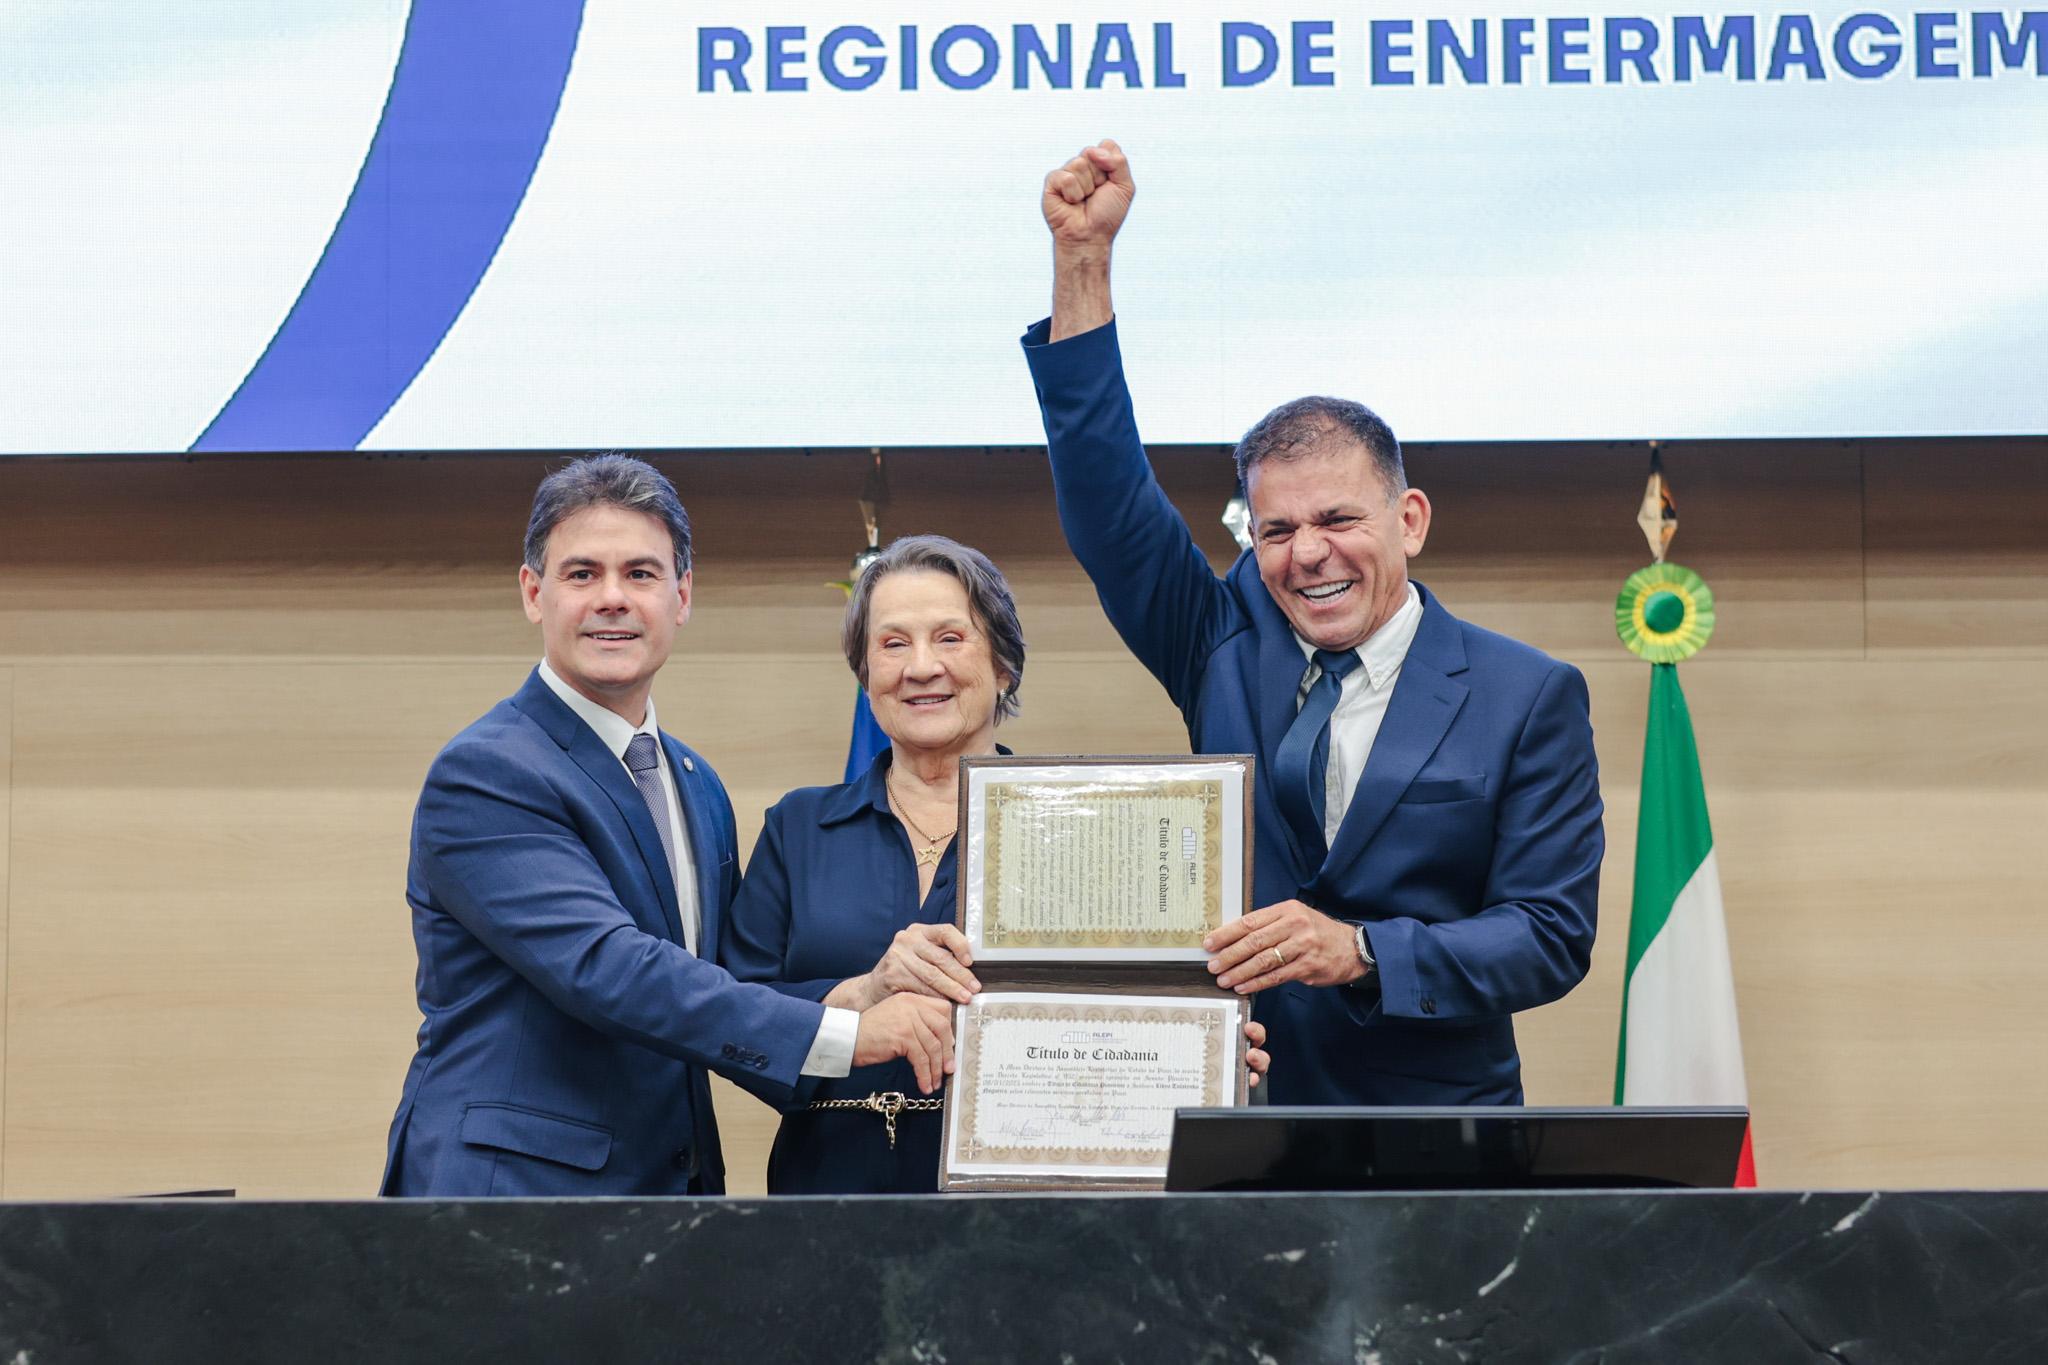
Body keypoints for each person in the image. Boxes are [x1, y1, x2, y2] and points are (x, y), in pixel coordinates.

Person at [1022, 142, 1604, 1106]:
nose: (1308, 554)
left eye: (1338, 519)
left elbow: (1548, 934)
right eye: (1278, 529)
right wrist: (1083, 262)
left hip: (1436, 1133)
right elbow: (1105, 494)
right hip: (1239, 1116)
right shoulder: (1216, 640)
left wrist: (1363, 950)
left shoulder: (1526, 694)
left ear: (1409, 520)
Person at [382, 454, 953, 1196]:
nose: (612, 598)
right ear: (533, 592)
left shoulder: (696, 784)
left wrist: (856, 993)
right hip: (514, 1198)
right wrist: (849, 1033)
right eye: (582, 574)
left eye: (641, 574)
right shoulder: (488, 772)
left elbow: (713, 983)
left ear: (681, 596)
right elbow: (609, 968)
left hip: (665, 1197)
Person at [723, 534, 1269, 1192]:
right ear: (865, 674)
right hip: (827, 1195)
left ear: (1004, 665)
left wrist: (1202, 1053)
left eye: (950, 638)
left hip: (1021, 1206)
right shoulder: (799, 827)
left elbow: (1130, 1011)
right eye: (892, 644)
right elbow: (734, 1018)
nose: (921, 666)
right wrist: (861, 997)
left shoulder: (1087, 828)